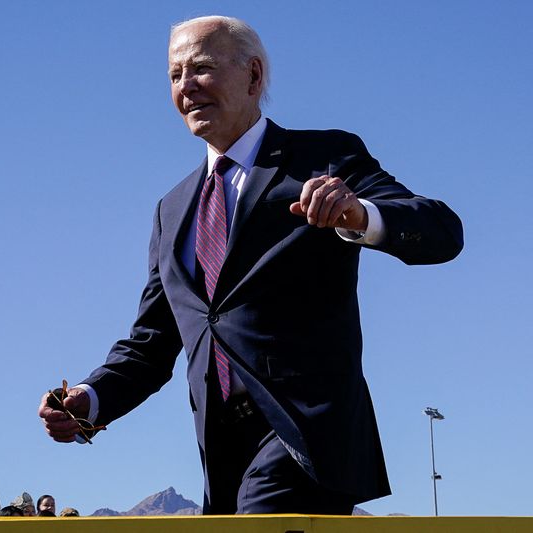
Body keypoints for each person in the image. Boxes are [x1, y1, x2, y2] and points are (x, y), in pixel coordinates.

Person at [39, 15, 463, 515]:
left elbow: (440, 230)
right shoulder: (171, 210)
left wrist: (357, 214)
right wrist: (91, 398)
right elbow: (152, 342)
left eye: (201, 68)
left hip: (304, 440)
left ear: (254, 76)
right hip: (221, 452)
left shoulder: (325, 158)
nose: (186, 86)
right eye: (175, 75)